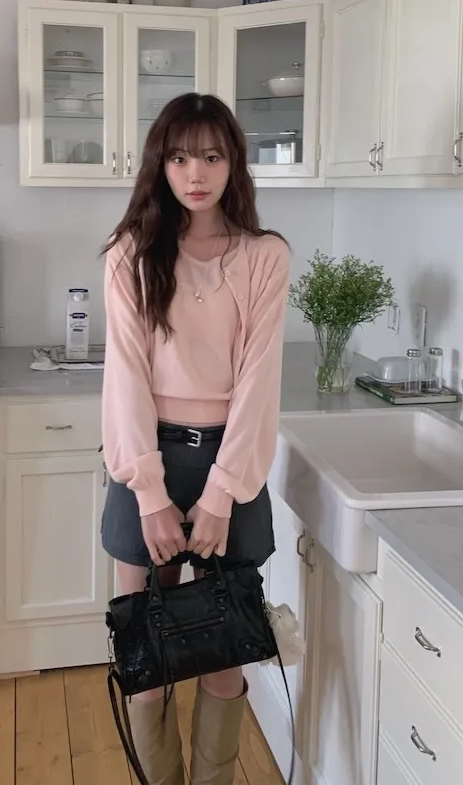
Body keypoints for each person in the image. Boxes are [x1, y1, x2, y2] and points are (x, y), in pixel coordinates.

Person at [101, 92, 291, 785]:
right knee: (145, 665)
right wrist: (150, 495)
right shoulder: (130, 254)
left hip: (228, 467)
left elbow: (258, 382)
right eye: (180, 157)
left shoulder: (264, 256)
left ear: (233, 162)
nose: (196, 172)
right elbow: (125, 377)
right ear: (161, 164)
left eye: (211, 156)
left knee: (223, 663)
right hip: (145, 462)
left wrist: (222, 494)